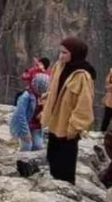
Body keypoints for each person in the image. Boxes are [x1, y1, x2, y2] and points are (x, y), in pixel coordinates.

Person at [41, 37, 96, 184]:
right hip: (54, 121)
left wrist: (75, 126)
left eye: (65, 53)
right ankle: (54, 185)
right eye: (60, 52)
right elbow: (53, 88)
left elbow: (84, 105)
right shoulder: (59, 67)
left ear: (75, 54)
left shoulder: (82, 76)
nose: (61, 56)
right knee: (52, 157)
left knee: (65, 163)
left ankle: (65, 189)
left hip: (68, 126)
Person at [11, 73, 50, 151]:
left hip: (36, 125)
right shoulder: (26, 96)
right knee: (27, 146)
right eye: (41, 90)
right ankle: (22, 160)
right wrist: (25, 132)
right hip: (25, 125)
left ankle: (32, 161)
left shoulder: (43, 97)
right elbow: (20, 115)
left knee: (38, 146)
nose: (42, 93)